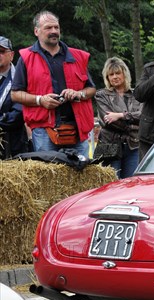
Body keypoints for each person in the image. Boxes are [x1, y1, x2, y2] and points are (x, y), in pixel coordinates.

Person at [10, 11, 96, 158]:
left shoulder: (78, 56)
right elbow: (15, 94)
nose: (54, 31)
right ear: (36, 31)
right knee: (49, 176)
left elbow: (92, 89)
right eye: (48, 28)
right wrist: (40, 100)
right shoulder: (26, 57)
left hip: (77, 128)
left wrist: (78, 94)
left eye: (56, 27)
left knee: (83, 176)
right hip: (44, 129)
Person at [95, 57, 142, 178]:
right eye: (111, 74)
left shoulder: (136, 93)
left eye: (117, 73)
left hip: (133, 145)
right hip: (110, 145)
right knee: (111, 183)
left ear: (124, 74)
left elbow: (143, 116)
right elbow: (108, 121)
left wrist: (120, 115)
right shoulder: (101, 95)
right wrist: (133, 122)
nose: (114, 77)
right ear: (107, 78)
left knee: (131, 183)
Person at [0, 36, 28, 159]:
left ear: (11, 55)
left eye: (1, 52)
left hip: (13, 144)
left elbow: (19, 114)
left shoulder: (21, 79)